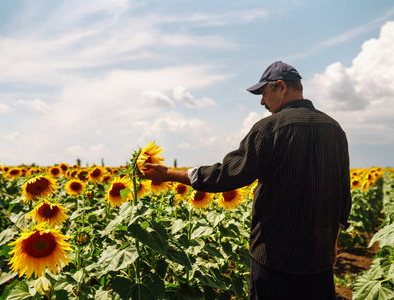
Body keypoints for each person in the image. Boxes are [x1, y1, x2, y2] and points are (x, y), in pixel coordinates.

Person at [140, 61, 352, 299]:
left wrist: (170, 174)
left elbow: (228, 174)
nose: (262, 102)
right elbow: (342, 192)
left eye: (263, 93)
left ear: (280, 87)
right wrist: (333, 239)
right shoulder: (334, 129)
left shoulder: (269, 129)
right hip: (318, 257)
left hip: (274, 257)